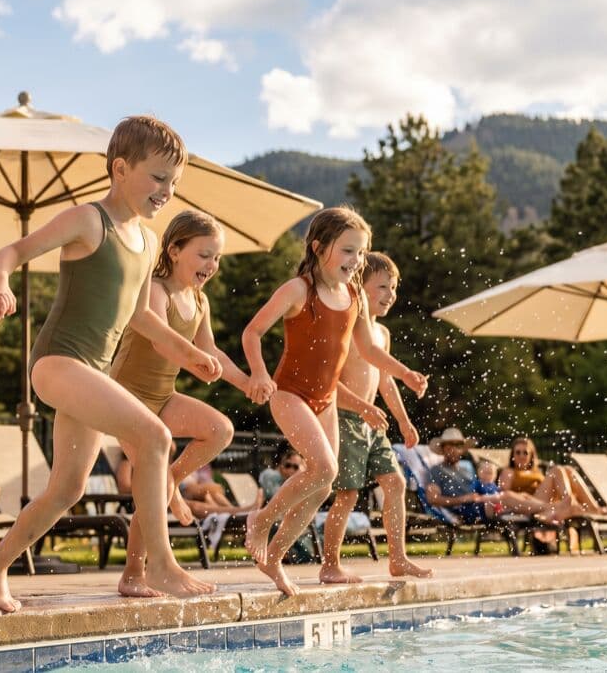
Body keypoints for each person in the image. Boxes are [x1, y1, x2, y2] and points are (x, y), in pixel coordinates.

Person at [0, 116, 223, 613]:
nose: (166, 191)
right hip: (58, 363)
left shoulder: (149, 242)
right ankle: (161, 564)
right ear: (120, 169)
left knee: (66, 489)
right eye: (157, 178)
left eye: (174, 182)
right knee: (155, 438)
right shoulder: (89, 221)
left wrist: (189, 351)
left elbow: (136, 315)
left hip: (92, 374)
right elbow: (13, 250)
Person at [241, 207, 428, 596]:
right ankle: (260, 520)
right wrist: (258, 374)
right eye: (347, 251)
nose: (355, 261)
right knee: (325, 469)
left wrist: (405, 373)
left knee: (323, 486)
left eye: (360, 253)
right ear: (318, 246)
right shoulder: (298, 290)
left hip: (325, 401)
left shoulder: (355, 295)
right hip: (290, 394)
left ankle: (274, 558)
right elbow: (253, 332)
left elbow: (370, 351)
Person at [107, 209, 258, 597]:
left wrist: (246, 381)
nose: (212, 265)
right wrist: (194, 358)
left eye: (217, 258)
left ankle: (171, 478)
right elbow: (159, 338)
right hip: (124, 397)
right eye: (204, 254)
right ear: (174, 250)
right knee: (150, 484)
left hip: (162, 396)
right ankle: (134, 574)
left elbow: (212, 352)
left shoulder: (199, 301)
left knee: (219, 429)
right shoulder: (156, 289)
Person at [319, 252, 432, 584]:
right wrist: (360, 406)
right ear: (358, 284)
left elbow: (385, 381)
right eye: (382, 286)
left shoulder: (381, 334)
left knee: (395, 483)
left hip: (373, 422)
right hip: (344, 416)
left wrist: (404, 420)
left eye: (394, 288)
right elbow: (328, 381)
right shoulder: (345, 324)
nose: (390, 294)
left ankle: (398, 559)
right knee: (348, 493)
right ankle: (330, 564)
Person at [425, 429, 578, 525]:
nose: (454, 450)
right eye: (449, 446)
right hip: (469, 509)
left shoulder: (467, 468)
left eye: (458, 446)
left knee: (522, 496)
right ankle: (555, 507)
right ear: (443, 449)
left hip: (485, 501)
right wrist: (462, 499)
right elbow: (432, 498)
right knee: (506, 496)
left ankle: (549, 511)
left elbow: (482, 486)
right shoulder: (436, 471)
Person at [497, 437, 607, 515]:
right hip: (531, 503)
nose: (521, 455)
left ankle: (593, 507)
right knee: (557, 470)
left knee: (568, 469)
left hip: (547, 499)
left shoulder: (535, 471)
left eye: (525, 452)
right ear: (513, 454)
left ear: (531, 455)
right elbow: (505, 496)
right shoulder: (509, 471)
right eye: (518, 452)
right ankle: (569, 502)